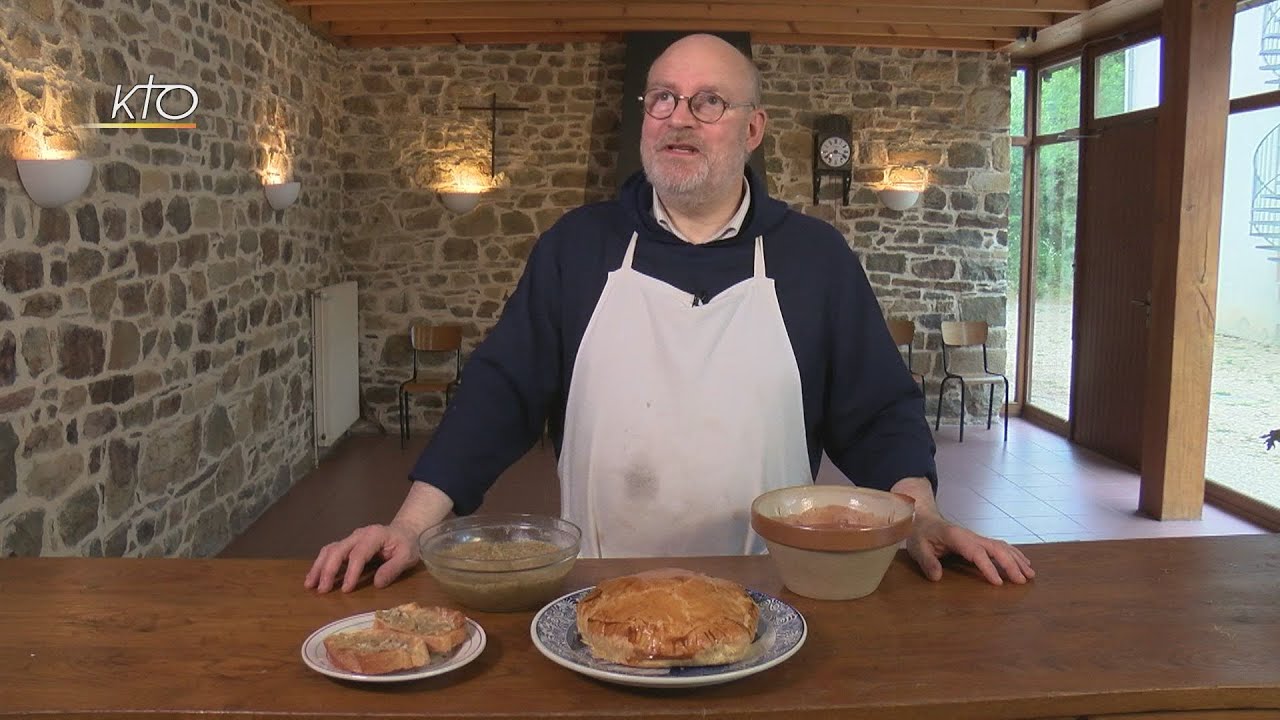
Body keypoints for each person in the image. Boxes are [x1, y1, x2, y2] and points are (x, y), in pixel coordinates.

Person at [306, 33, 1033, 594]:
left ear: (752, 130)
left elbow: (878, 412)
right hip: (596, 587)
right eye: (662, 99)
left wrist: (923, 518)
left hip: (771, 593)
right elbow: (498, 394)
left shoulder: (815, 260)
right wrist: (408, 527)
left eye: (707, 102)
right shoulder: (577, 249)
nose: (678, 119)